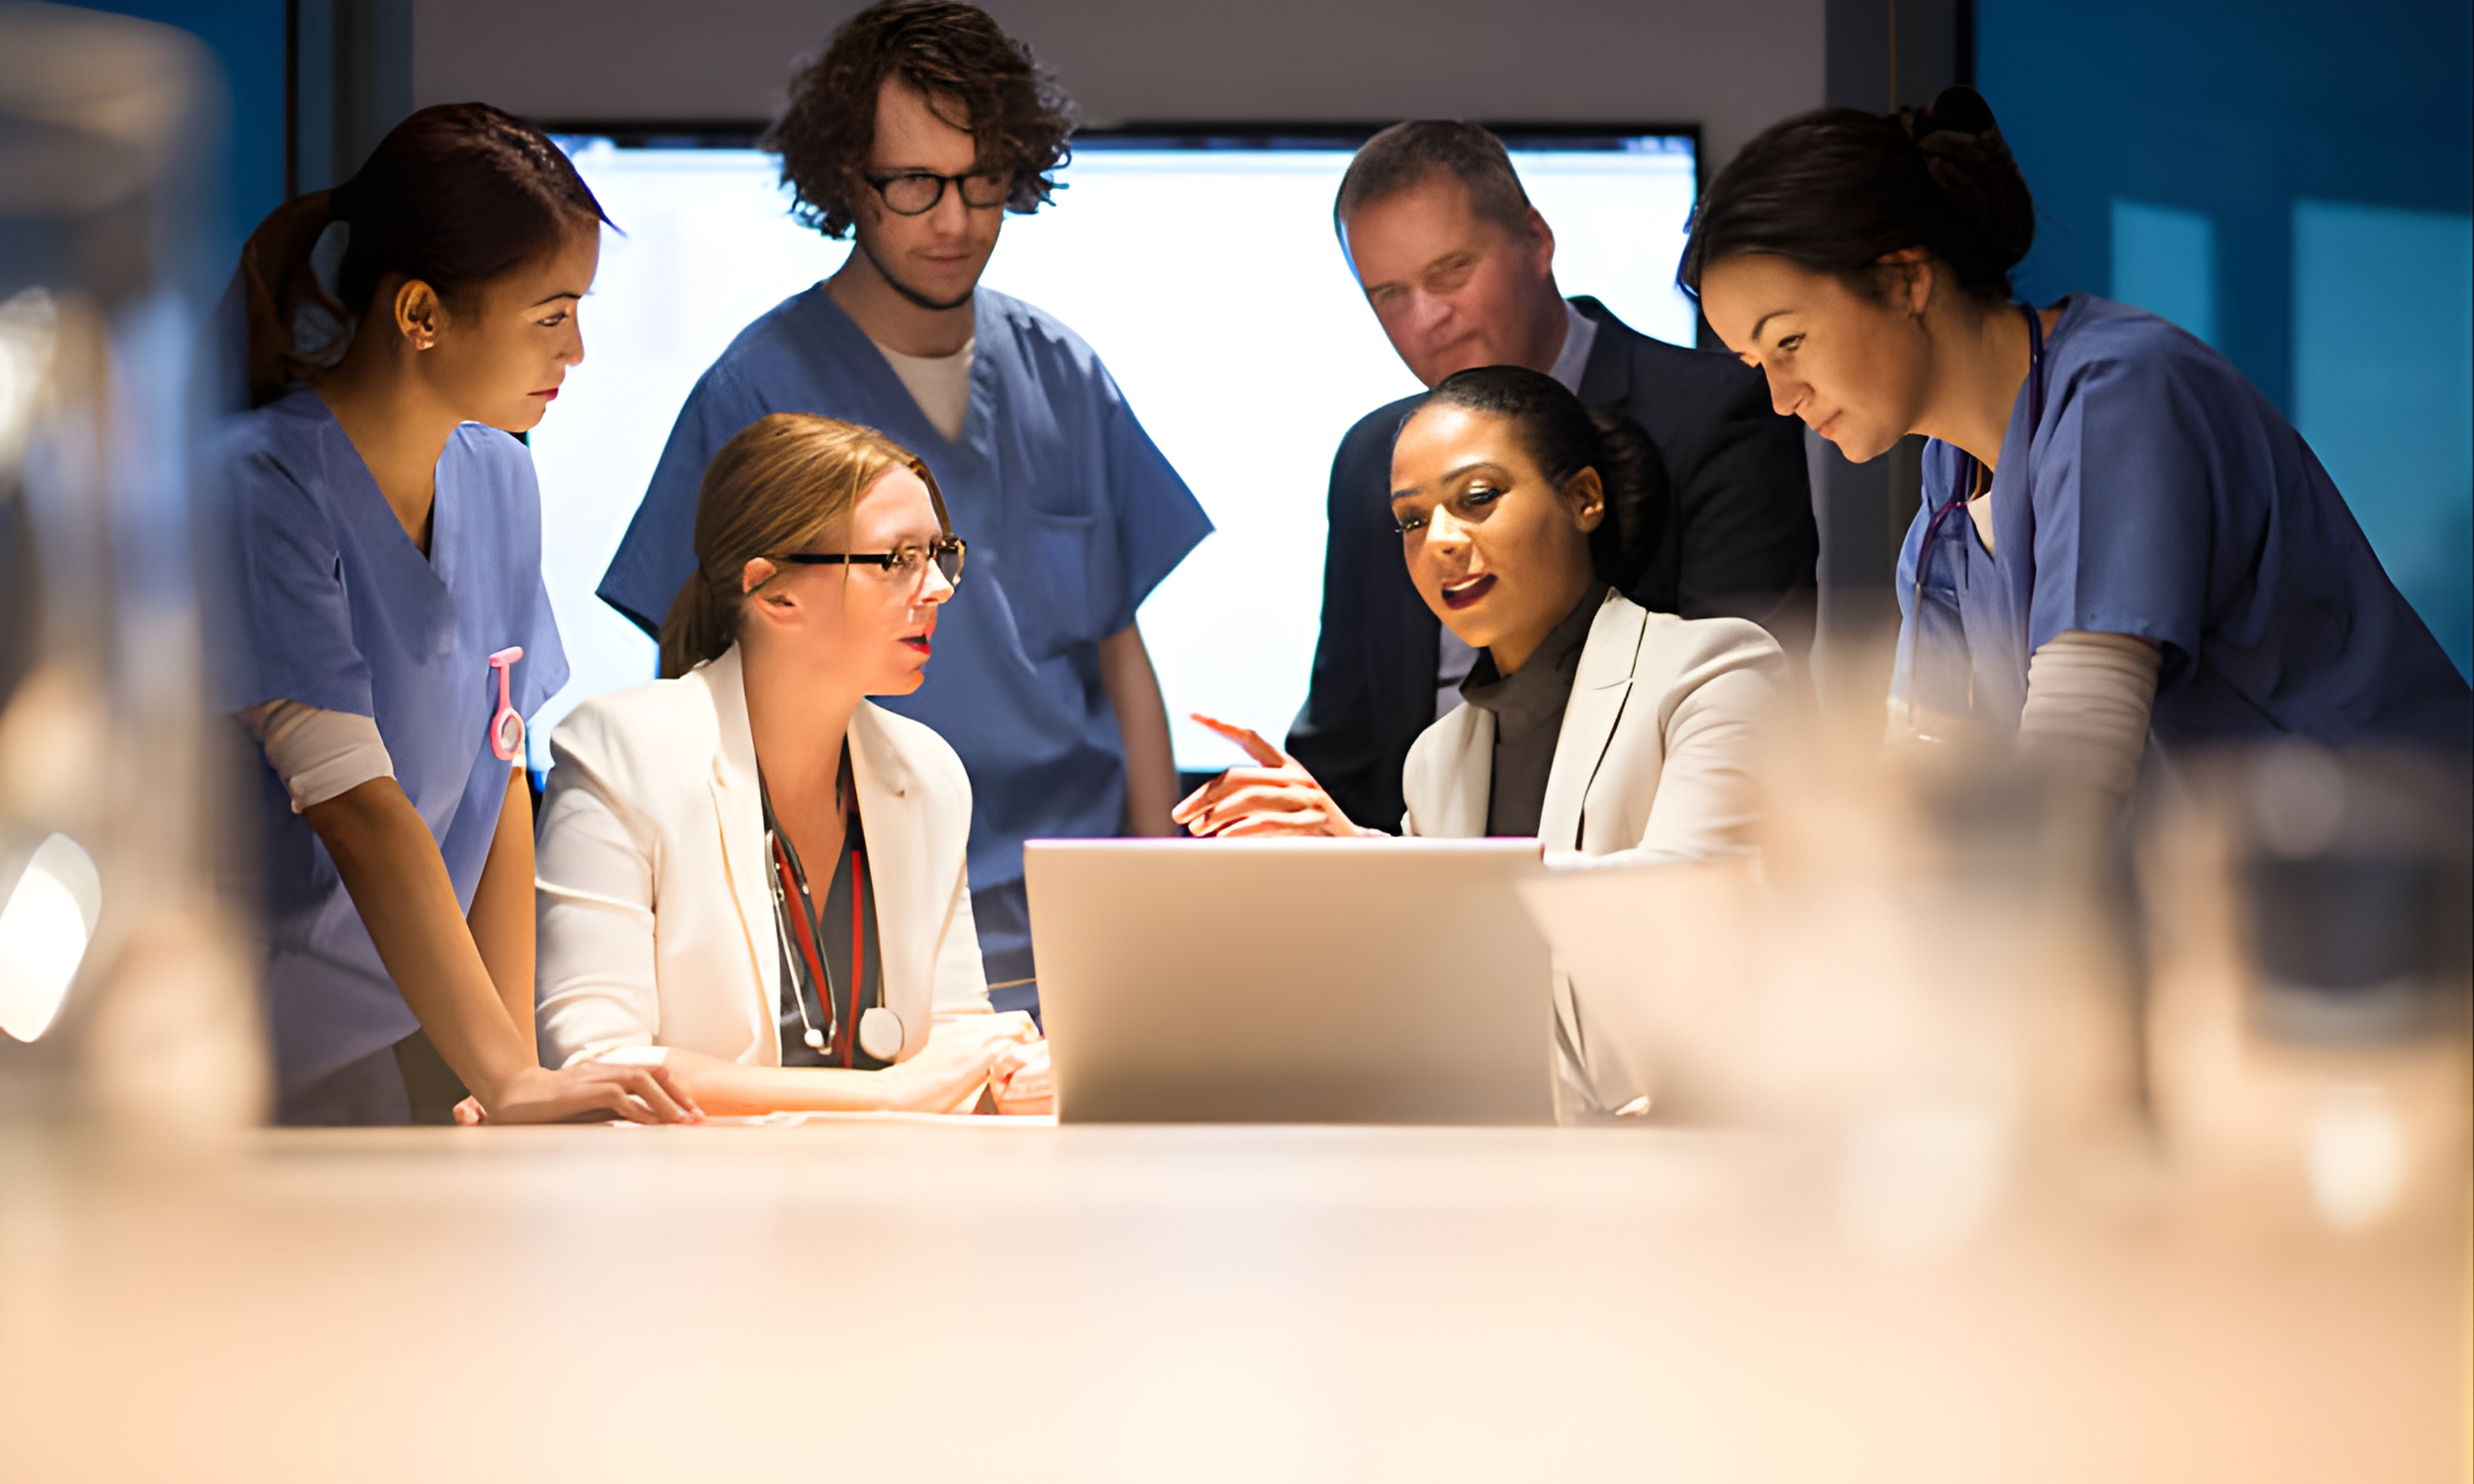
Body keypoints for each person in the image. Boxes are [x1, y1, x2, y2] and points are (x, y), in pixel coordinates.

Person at [594, 0, 1211, 1017]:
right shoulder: (758, 390)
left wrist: (1154, 891)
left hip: (1077, 906)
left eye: (982, 182)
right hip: (869, 907)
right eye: (916, 184)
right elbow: (693, 677)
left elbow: (1118, 656)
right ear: (847, 181)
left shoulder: (1061, 371)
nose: (956, 221)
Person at [1683, 87, 2472, 810]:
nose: (1783, 398)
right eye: (1758, 367)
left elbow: (2075, 751)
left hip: (2398, 878)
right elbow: (1924, 758)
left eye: (1789, 341)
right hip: (2254, 904)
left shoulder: (2119, 395)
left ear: (1903, 280)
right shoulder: (1953, 481)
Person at [209, 104, 699, 1125]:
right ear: (422, 314)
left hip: (378, 1051)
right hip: (222, 1057)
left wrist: (510, 1071)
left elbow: (499, 777)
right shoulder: (260, 490)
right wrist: (511, 1077)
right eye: (551, 314)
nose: (578, 352)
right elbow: (355, 806)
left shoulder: (499, 479)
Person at [1174, 367, 1786, 1108]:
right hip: (1498, 1171)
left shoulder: (1713, 668)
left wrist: (1374, 864)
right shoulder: (1436, 758)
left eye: (1477, 499)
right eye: (1410, 520)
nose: (1439, 541)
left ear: (1584, 497)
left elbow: (1685, 897)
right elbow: (1435, 1015)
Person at [1285, 121, 1816, 833]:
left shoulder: (1713, 412)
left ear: (1537, 241)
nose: (1427, 318)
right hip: (1411, 872)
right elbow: (1346, 737)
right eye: (1389, 294)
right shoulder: (1370, 457)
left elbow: (1741, 697)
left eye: (1450, 272)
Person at [536, 415, 1047, 1114]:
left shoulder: (928, 773)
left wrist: (1011, 1073)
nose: (939, 588)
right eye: (898, 559)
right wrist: (886, 1096)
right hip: (685, 1208)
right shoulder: (619, 751)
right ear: (775, 593)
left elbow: (952, 1041)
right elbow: (598, 1063)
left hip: (894, 1202)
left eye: (940, 553)